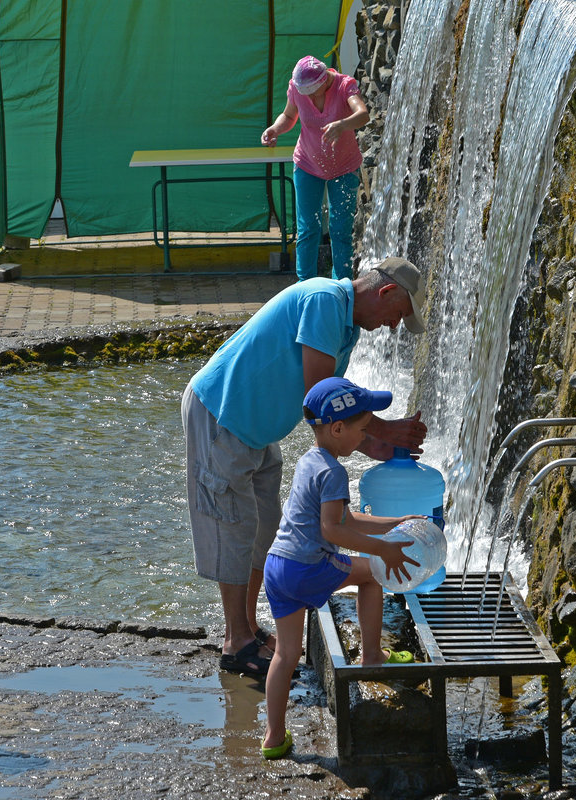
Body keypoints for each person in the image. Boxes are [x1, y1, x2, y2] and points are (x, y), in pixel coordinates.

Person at [181, 257, 428, 679]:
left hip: (255, 430)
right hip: (221, 414)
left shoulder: (345, 325)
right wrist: (387, 430)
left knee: (266, 530)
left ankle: (248, 628)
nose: (392, 326)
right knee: (235, 526)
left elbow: (335, 417)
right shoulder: (324, 301)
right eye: (398, 315)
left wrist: (379, 446)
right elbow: (321, 395)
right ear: (385, 292)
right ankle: (235, 641)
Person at [260, 376, 422, 760]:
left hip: (277, 566)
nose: (366, 439)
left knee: (285, 654)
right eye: (363, 430)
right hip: (307, 567)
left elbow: (347, 518)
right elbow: (333, 529)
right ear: (337, 428)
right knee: (371, 574)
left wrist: (395, 521)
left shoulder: (310, 461)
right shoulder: (335, 472)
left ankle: (274, 737)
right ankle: (371, 657)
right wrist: (385, 549)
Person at [261, 55, 369, 282]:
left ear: (322, 83)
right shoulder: (298, 88)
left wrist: (342, 125)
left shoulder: (344, 85)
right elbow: (289, 116)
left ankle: (342, 286)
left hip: (344, 167)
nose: (307, 97)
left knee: (340, 230)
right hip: (307, 164)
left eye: (311, 92)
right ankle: (305, 285)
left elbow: (363, 115)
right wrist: (275, 129)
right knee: (308, 228)